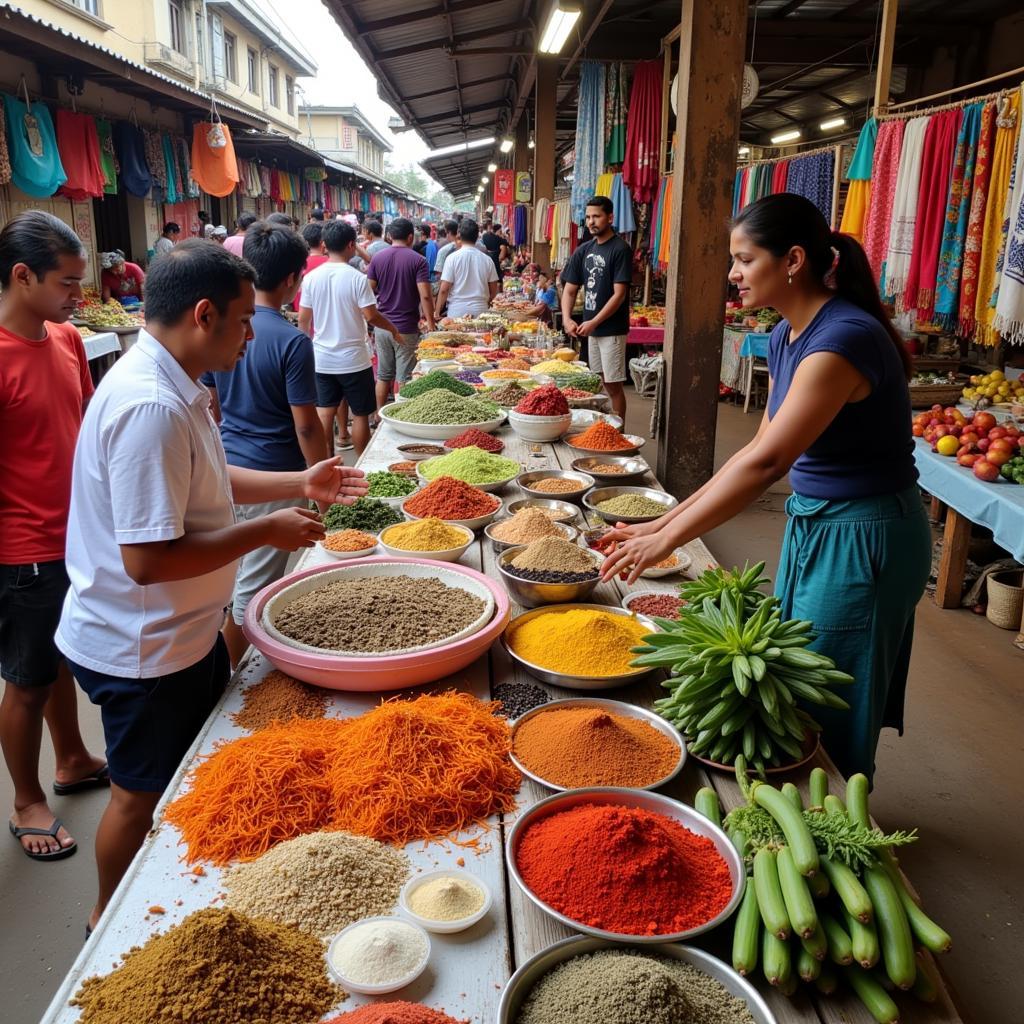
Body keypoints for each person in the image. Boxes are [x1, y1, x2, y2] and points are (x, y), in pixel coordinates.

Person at [56, 239, 366, 931]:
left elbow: (204, 481)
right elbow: (147, 560)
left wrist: (298, 482)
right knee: (140, 794)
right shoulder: (150, 406)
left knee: (184, 780)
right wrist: (265, 532)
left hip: (182, 633)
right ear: (203, 314)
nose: (253, 334)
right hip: (142, 646)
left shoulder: (178, 384)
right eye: (243, 321)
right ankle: (107, 925)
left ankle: (166, 898)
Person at [601, 193, 931, 781]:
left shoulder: (842, 340)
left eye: (744, 259)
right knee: (802, 674)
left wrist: (666, 539)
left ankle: (840, 823)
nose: (732, 274)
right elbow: (754, 447)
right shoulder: (784, 335)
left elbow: (769, 464)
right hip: (819, 522)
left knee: (832, 691)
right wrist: (664, 521)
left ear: (794, 260)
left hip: (867, 533)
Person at [0, 212, 108, 862]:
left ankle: (70, 758)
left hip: (75, 536)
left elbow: (89, 420)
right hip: (23, 552)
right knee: (27, 678)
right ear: (22, 276)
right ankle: (25, 799)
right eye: (68, 284)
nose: (77, 297)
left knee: (62, 655)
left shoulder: (66, 339)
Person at [201, 224, 328, 666]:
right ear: (294, 279)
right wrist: (324, 482)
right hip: (275, 477)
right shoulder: (292, 341)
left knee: (233, 575)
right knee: (252, 587)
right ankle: (229, 681)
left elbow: (211, 407)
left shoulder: (221, 332)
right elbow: (307, 427)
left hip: (229, 470)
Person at [299, 220, 401, 456]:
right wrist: (393, 329)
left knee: (325, 412)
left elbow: (304, 320)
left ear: (324, 245)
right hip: (354, 359)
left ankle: (327, 464)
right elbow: (371, 316)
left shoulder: (311, 278)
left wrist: (308, 350)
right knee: (360, 414)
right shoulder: (356, 278)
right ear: (351, 245)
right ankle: (361, 465)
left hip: (322, 358)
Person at [560, 195, 633, 419]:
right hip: (591, 330)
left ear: (610, 218)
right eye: (589, 217)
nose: (591, 221)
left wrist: (593, 322)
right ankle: (604, 427)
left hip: (611, 329)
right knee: (598, 381)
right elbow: (569, 289)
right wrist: (566, 319)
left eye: (597, 216)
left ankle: (618, 431)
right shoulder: (584, 250)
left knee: (613, 386)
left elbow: (619, 295)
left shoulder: (620, 249)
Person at [366, 217, 434, 409]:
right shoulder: (418, 261)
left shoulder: (378, 258)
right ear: (411, 237)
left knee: (383, 375)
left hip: (382, 326)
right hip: (406, 328)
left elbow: (368, 289)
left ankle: (379, 415)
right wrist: (430, 322)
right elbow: (426, 296)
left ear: (389, 236)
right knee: (404, 376)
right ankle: (402, 414)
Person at [436, 219, 499, 319]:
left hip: (456, 312)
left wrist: (437, 311)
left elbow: (444, 289)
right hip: (481, 312)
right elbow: (494, 289)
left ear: (459, 235)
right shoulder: (487, 260)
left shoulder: (452, 258)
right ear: (478, 236)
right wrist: (487, 301)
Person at [433, 219, 459, 289]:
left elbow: (439, 276)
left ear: (449, 233)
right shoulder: (471, 249)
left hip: (449, 292)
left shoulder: (444, 251)